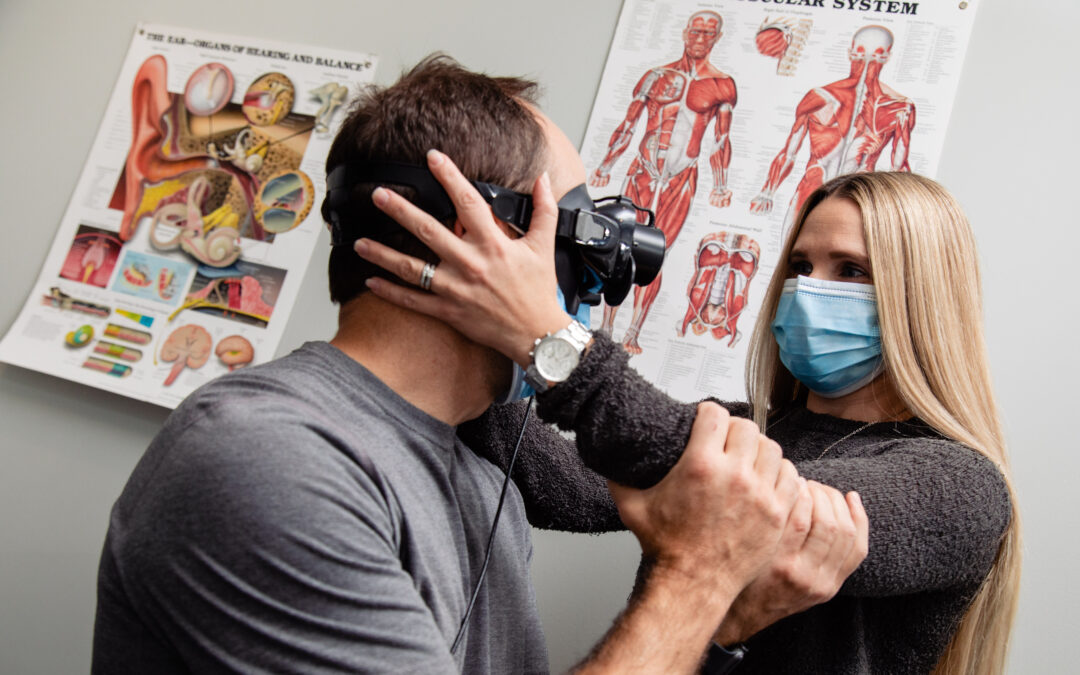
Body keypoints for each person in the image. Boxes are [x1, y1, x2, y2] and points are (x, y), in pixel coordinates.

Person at [91, 56, 865, 674]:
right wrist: (696, 576)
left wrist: (719, 625)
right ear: (480, 241)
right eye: (579, 237)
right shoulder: (267, 456)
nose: (591, 278)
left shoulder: (473, 458)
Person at [356, 167, 1019, 674]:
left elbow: (760, 504)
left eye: (851, 271)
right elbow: (569, 491)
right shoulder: (743, 428)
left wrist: (545, 335)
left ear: (918, 298)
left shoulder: (960, 484)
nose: (809, 289)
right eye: (799, 266)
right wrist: (473, 342)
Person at [590, 10, 737, 354]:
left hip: (681, 177)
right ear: (686, 32)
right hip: (643, 169)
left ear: (717, 38)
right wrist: (606, 163)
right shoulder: (656, 76)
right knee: (619, 247)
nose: (700, 38)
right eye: (696, 30)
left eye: (708, 33)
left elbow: (720, 139)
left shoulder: (721, 84)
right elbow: (629, 123)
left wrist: (720, 184)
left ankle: (634, 332)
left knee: (657, 253)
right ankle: (607, 327)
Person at [750, 25, 915, 238]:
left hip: (857, 202)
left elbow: (900, 169)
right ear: (850, 52)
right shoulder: (819, 97)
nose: (865, 64)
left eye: (876, 57)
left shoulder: (899, 108)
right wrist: (767, 192)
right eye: (859, 54)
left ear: (887, 57)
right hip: (811, 190)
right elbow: (789, 151)